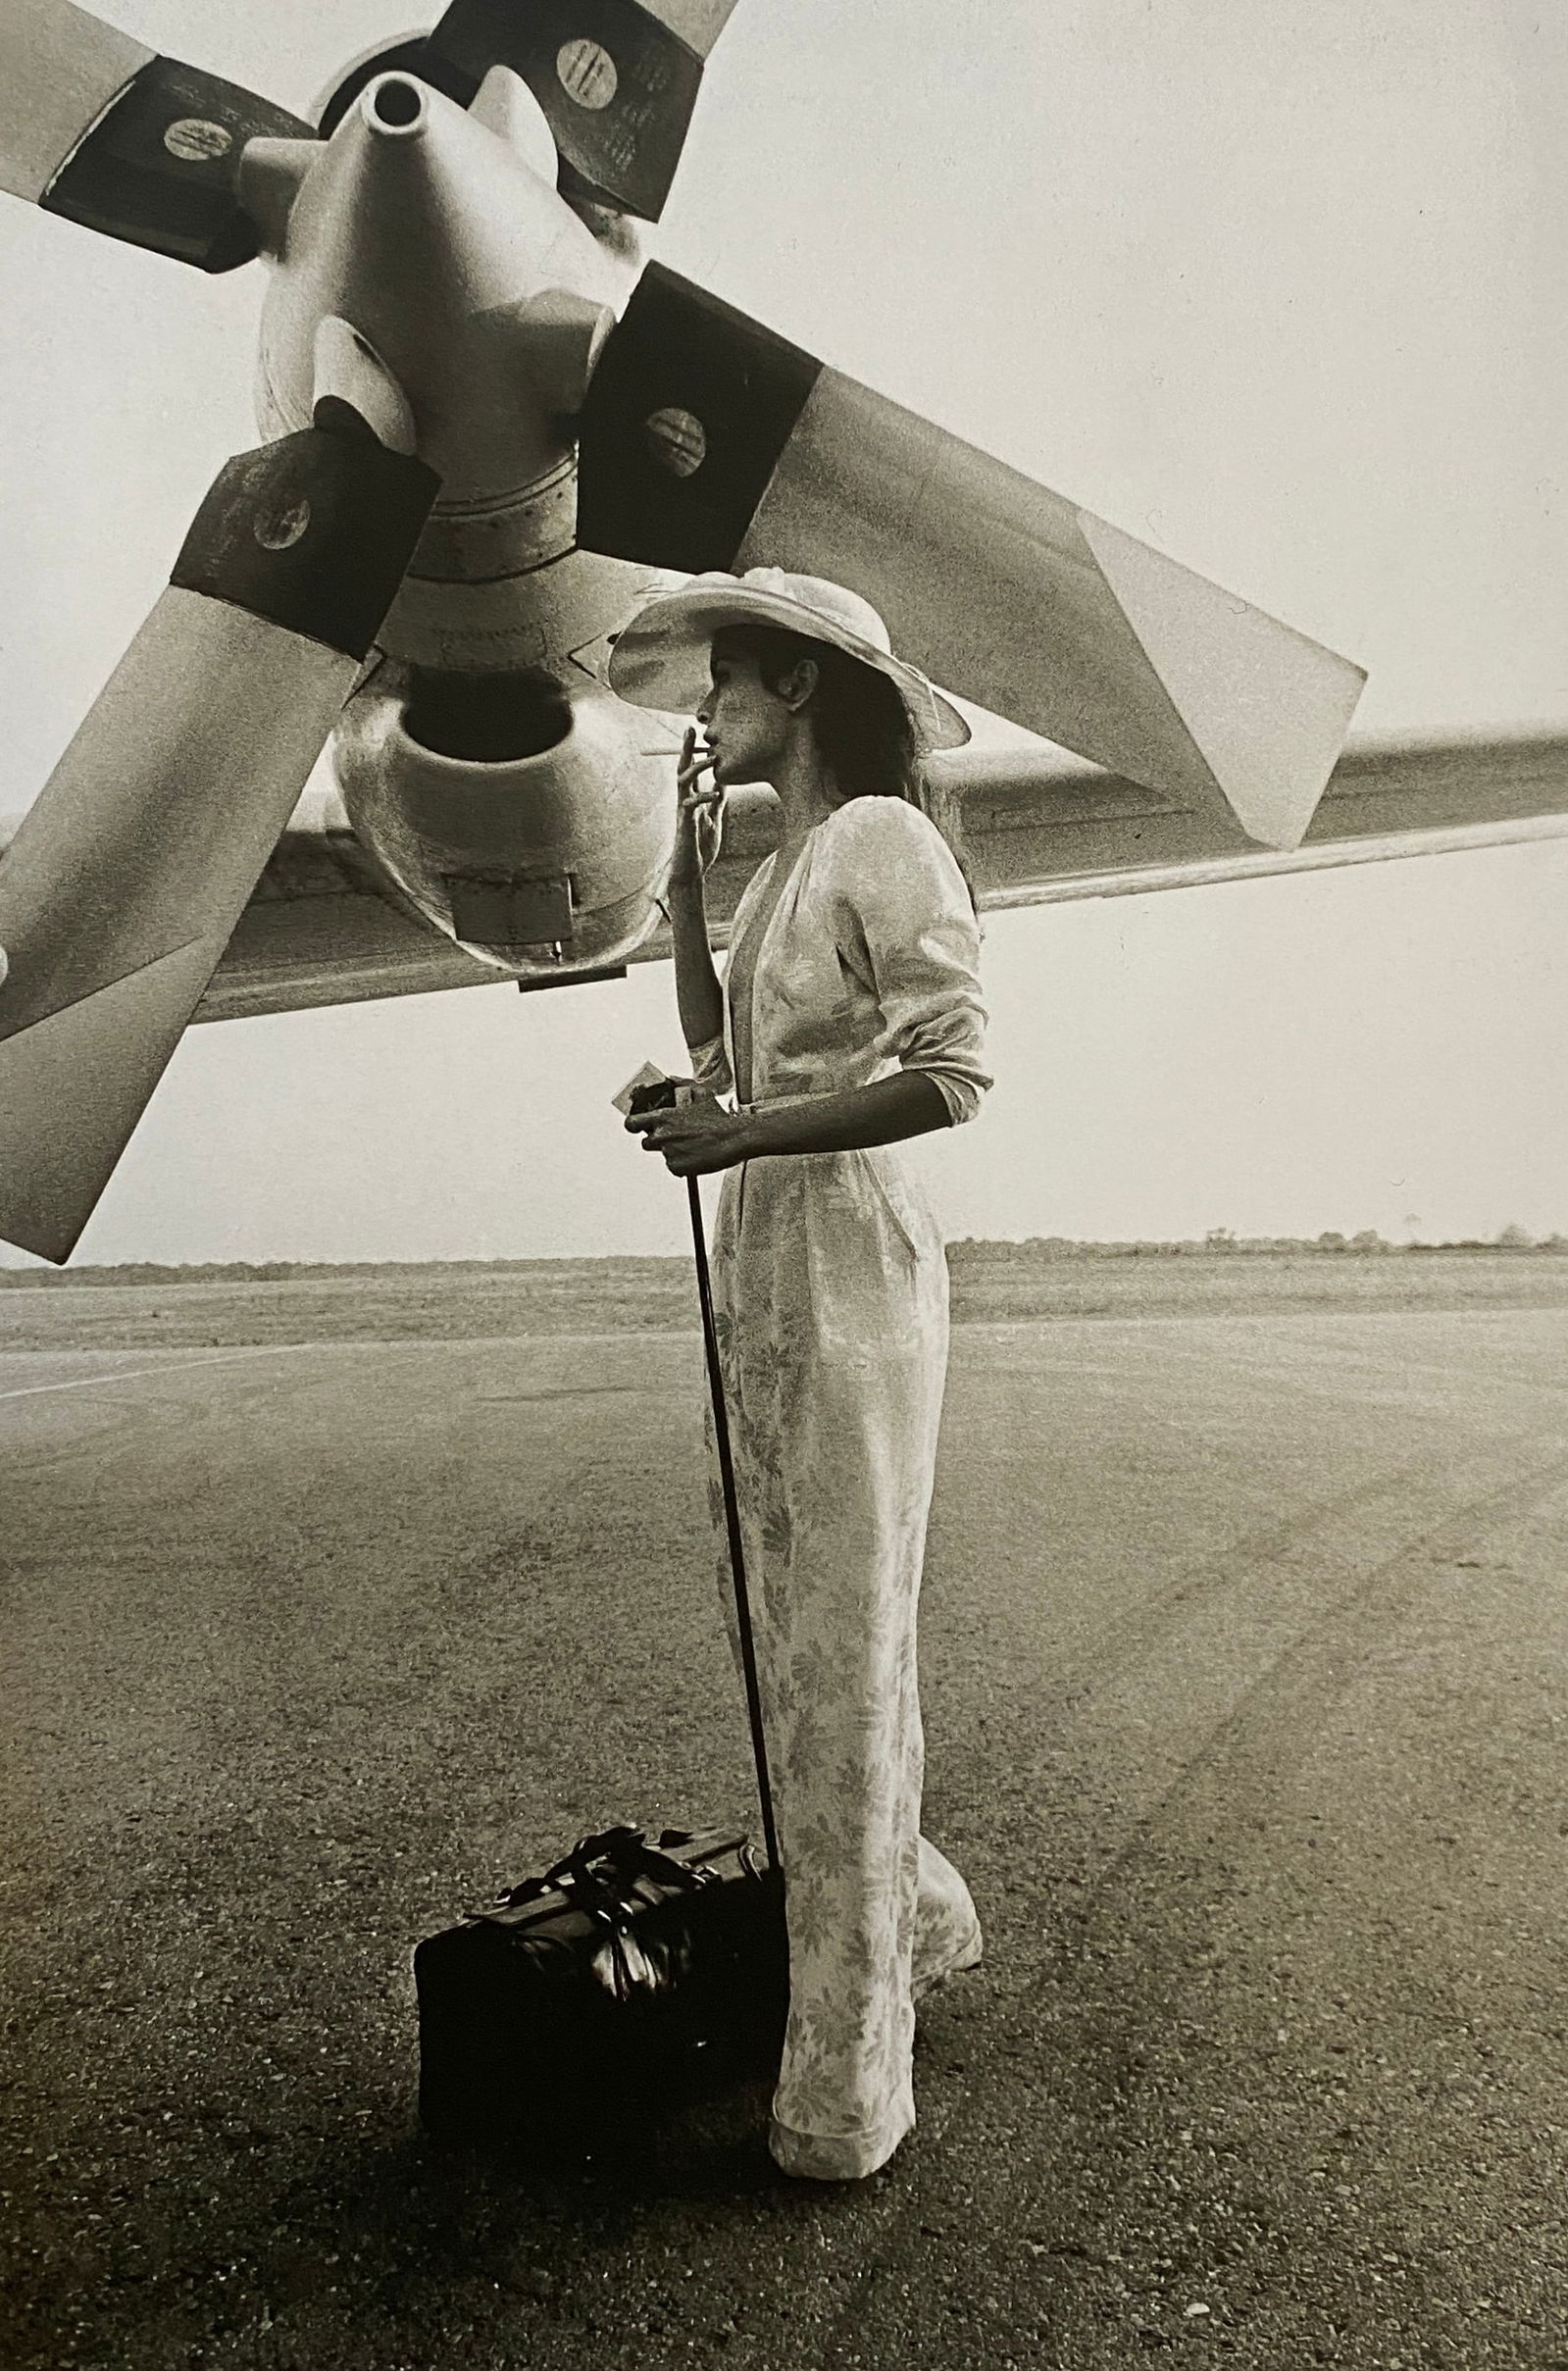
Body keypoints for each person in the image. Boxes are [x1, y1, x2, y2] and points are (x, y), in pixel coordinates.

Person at [610, 568, 991, 2182]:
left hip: (850, 1269)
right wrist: (689, 894)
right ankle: (902, 1916)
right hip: (769, 1263)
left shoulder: (888, 842)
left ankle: (845, 2091)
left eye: (728, 686)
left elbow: (956, 1071)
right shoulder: (783, 868)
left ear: (804, 689)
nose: (708, 710)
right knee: (798, 1653)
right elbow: (719, 1055)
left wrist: (746, 1132)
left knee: (844, 1651)